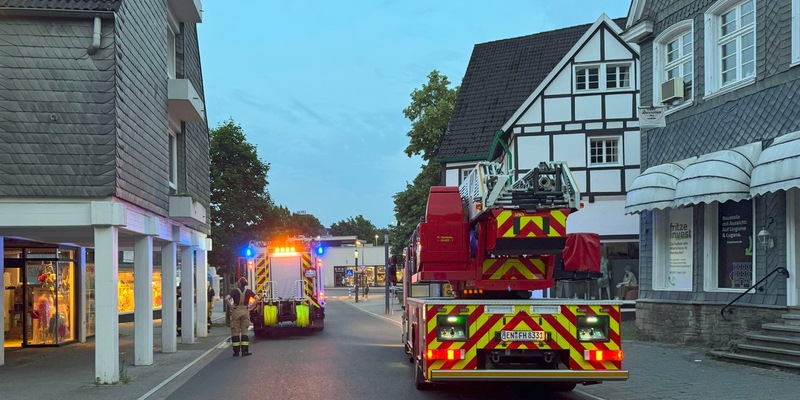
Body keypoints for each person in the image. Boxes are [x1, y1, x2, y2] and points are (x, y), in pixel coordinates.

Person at [225, 277, 258, 356]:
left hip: (236, 311)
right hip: (245, 311)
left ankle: (236, 352)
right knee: (244, 331)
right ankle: (245, 351)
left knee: (235, 332)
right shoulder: (248, 291)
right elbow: (257, 298)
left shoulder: (235, 291)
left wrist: (231, 306)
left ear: (239, 283)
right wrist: (251, 306)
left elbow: (226, 298)